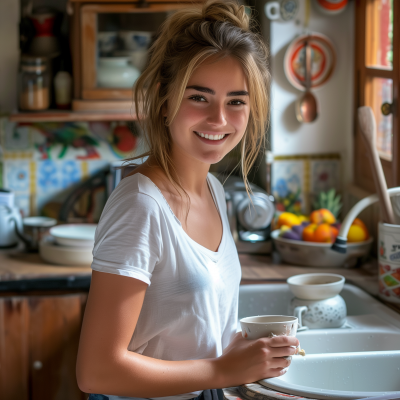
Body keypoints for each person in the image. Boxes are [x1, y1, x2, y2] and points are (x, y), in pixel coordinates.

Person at [76, 1, 299, 400]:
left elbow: (195, 335)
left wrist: (250, 354)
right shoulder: (141, 206)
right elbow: (96, 372)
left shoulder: (213, 190)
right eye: (199, 97)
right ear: (165, 100)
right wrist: (221, 369)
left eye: (236, 101)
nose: (219, 119)